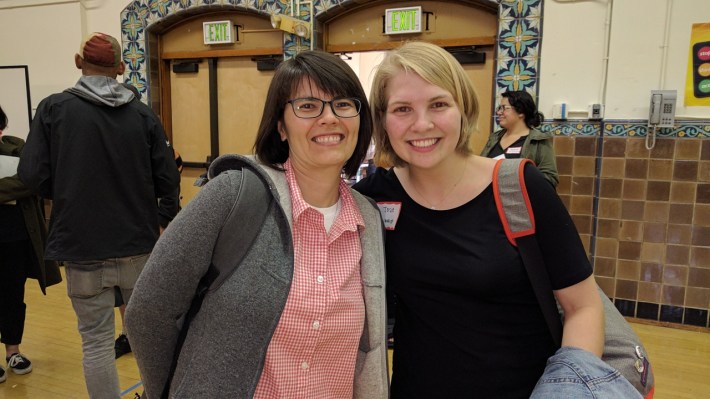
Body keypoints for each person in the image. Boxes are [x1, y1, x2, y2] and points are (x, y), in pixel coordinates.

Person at [124, 50, 388, 399]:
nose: (329, 118)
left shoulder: (366, 220)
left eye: (342, 104)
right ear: (280, 126)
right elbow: (149, 310)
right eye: (308, 106)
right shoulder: (233, 195)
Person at [353, 41, 603, 398]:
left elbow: (584, 307)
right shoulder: (374, 198)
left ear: (463, 109)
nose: (422, 124)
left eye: (438, 104)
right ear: (383, 120)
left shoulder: (520, 187)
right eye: (402, 109)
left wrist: (565, 391)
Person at [18, 32, 180, 398]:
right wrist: (163, 218)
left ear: (79, 63)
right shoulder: (142, 115)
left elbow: (31, 175)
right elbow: (168, 177)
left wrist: (65, 192)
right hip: (139, 246)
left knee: (96, 343)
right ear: (121, 68)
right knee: (148, 339)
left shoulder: (53, 110)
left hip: (81, 249)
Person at [0, 105, 62, 384]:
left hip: (15, 238)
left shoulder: (18, 151)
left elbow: (32, 182)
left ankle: (13, 351)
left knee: (14, 294)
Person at [480, 90, 559, 187]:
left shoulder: (538, 141)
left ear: (521, 111)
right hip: (490, 200)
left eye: (504, 108)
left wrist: (517, 176)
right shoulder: (494, 138)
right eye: (499, 108)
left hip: (519, 200)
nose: (499, 112)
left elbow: (550, 179)